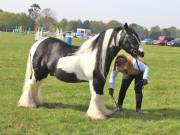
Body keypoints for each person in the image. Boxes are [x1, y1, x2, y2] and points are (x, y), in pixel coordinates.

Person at [109, 48, 149, 114]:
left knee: (137, 89)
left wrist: (145, 78)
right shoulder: (117, 66)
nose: (123, 69)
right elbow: (112, 76)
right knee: (123, 88)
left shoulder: (135, 63)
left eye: (124, 67)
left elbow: (146, 68)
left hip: (139, 72)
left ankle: (138, 110)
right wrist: (111, 87)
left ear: (127, 63)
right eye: (122, 68)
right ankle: (119, 106)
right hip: (128, 73)